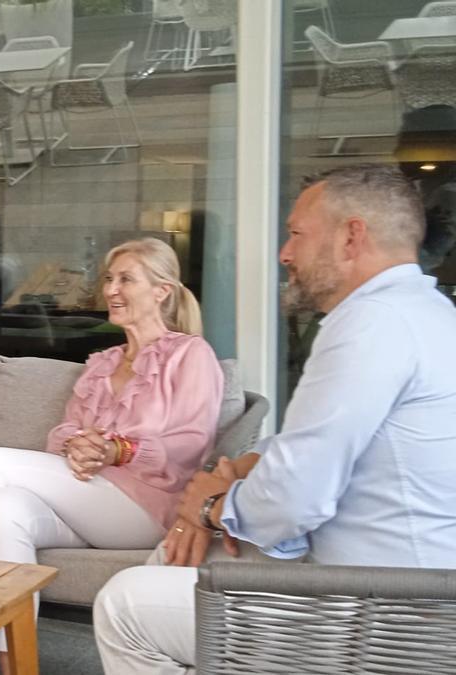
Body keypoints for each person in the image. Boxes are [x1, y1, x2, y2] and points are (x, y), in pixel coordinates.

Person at [94, 164, 456, 674]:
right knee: (181, 555)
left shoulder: (371, 324)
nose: (285, 254)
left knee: (125, 604)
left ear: (351, 236)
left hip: (388, 618)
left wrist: (211, 504)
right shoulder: (427, 312)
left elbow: (291, 501)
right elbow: (304, 445)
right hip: (384, 583)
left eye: (296, 234)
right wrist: (239, 469)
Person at [0, 237, 224, 674]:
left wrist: (121, 449)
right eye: (109, 279)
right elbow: (65, 429)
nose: (111, 290)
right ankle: (15, 665)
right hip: (87, 498)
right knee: (6, 509)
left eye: (126, 279)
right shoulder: (101, 363)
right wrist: (74, 445)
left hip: (146, 505)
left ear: (161, 291)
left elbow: (191, 441)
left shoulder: (190, 355)